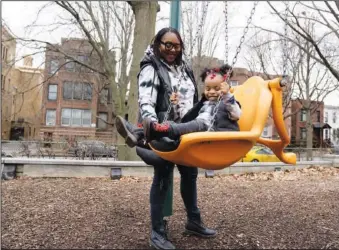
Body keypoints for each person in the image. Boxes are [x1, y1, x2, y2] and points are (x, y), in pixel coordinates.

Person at [118, 27, 216, 250]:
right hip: (163, 129)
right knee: (163, 174)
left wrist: (204, 103)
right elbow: (146, 100)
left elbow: (188, 100)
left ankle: (193, 221)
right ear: (157, 44)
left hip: (185, 130)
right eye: (167, 44)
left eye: (176, 45)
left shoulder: (185, 68)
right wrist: (153, 125)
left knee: (190, 174)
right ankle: (157, 231)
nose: (172, 49)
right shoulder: (151, 67)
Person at [142, 64, 242, 142]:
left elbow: (237, 114)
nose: (211, 92)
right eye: (208, 89)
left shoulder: (227, 102)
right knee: (175, 124)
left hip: (212, 131)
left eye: (217, 88)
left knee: (191, 125)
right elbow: (187, 117)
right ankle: (143, 132)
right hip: (199, 126)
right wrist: (176, 104)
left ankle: (160, 130)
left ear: (224, 88)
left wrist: (227, 95)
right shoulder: (204, 104)